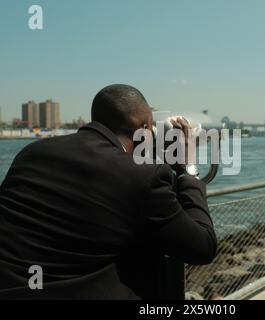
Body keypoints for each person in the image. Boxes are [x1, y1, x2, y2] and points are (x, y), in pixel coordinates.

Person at [0, 84, 217, 299]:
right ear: (143, 127)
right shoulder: (142, 177)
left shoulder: (31, 153)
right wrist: (187, 168)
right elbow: (202, 247)